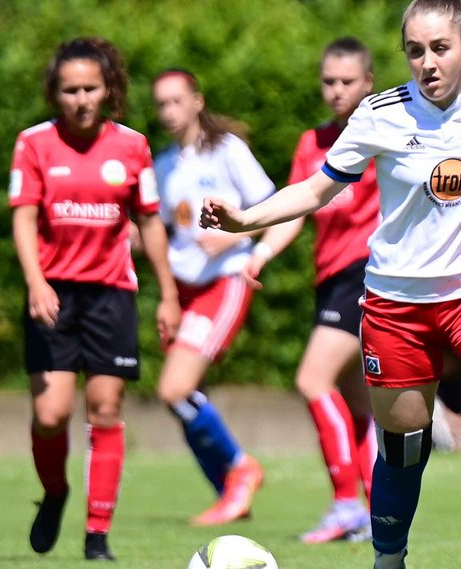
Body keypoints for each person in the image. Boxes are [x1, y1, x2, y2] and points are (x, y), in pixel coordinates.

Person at [201, 1, 461, 566]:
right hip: (397, 305)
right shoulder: (380, 116)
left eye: (440, 48)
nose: (427, 62)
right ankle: (390, 559)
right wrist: (243, 221)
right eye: (415, 51)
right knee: (404, 450)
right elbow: (313, 190)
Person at [11, 37, 181, 561]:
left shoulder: (132, 145)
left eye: (90, 88)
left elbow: (150, 220)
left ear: (108, 89)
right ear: (55, 94)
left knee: (105, 409)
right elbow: (22, 215)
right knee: (50, 414)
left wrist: (168, 294)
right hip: (54, 295)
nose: (81, 99)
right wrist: (36, 281)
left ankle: (97, 535)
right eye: (70, 90)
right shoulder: (34, 143)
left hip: (112, 294)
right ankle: (57, 491)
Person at [243, 37, 381, 544]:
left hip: (366, 276)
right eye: (329, 81)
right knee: (358, 402)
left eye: (347, 81)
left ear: (368, 83)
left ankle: (346, 504)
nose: (337, 90)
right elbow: (295, 209)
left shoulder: (383, 136)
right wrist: (259, 251)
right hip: (330, 282)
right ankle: (373, 509)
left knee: (311, 380)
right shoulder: (311, 143)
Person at [151, 68, 280, 526]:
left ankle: (242, 470)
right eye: (161, 103)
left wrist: (232, 237)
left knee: (175, 389)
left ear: (197, 101)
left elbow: (273, 207)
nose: (169, 111)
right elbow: (160, 231)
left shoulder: (227, 152)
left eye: (176, 101)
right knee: (186, 400)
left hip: (223, 282)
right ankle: (229, 493)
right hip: (183, 290)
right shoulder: (164, 165)